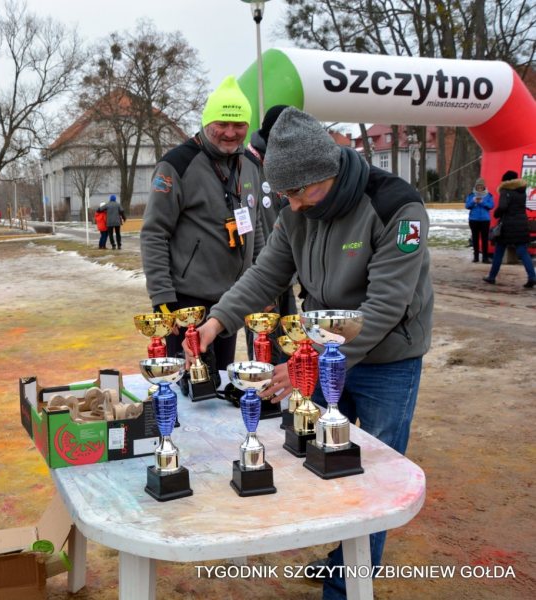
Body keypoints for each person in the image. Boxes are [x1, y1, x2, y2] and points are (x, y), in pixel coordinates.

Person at [194, 107, 433, 600]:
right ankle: (341, 555)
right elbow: (265, 274)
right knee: (315, 456)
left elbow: (386, 306)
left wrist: (311, 361)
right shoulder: (296, 212)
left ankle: (348, 583)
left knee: (375, 474)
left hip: (388, 360)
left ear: (331, 171)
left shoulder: (396, 207)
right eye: (286, 194)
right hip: (323, 352)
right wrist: (217, 321)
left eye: (303, 192)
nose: (295, 204)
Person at [140, 75, 263, 375]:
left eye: (239, 125)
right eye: (222, 123)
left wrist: (262, 285)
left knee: (220, 379)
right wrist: (162, 298)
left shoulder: (250, 165)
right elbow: (154, 233)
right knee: (188, 385)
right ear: (207, 122)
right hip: (186, 303)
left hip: (232, 299)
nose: (230, 133)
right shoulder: (176, 165)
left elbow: (255, 226)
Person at [244, 104, 296, 364]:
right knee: (264, 348)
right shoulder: (245, 165)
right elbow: (246, 227)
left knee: (290, 344)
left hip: (286, 272)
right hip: (261, 275)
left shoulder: (286, 162)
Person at [482, 170, 536, 288]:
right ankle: (532, 276)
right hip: (521, 224)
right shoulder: (522, 191)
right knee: (523, 252)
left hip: (507, 226)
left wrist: (496, 213)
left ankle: (492, 277)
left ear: (506, 181)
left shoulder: (505, 191)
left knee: (499, 251)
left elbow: (503, 207)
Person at [465, 177, 494, 263]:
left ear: (484, 187)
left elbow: (491, 206)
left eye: (481, 186)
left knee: (485, 238)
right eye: (478, 186)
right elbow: (467, 206)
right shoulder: (471, 195)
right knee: (475, 238)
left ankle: (485, 257)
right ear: (476, 187)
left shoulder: (488, 195)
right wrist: (473, 201)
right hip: (474, 219)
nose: (480, 188)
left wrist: (482, 202)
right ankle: (476, 256)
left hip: (485, 220)